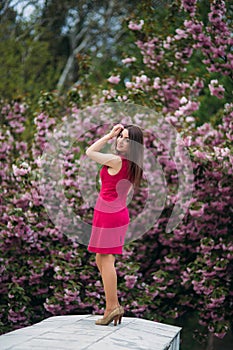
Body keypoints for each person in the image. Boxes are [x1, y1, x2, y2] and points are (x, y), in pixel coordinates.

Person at [86, 123, 144, 326]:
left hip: (111, 215)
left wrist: (109, 135)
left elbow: (89, 151)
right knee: (100, 259)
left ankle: (112, 307)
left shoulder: (117, 161)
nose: (121, 140)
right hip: (110, 213)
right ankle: (112, 305)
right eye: (120, 136)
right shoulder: (130, 165)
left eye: (127, 139)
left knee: (106, 259)